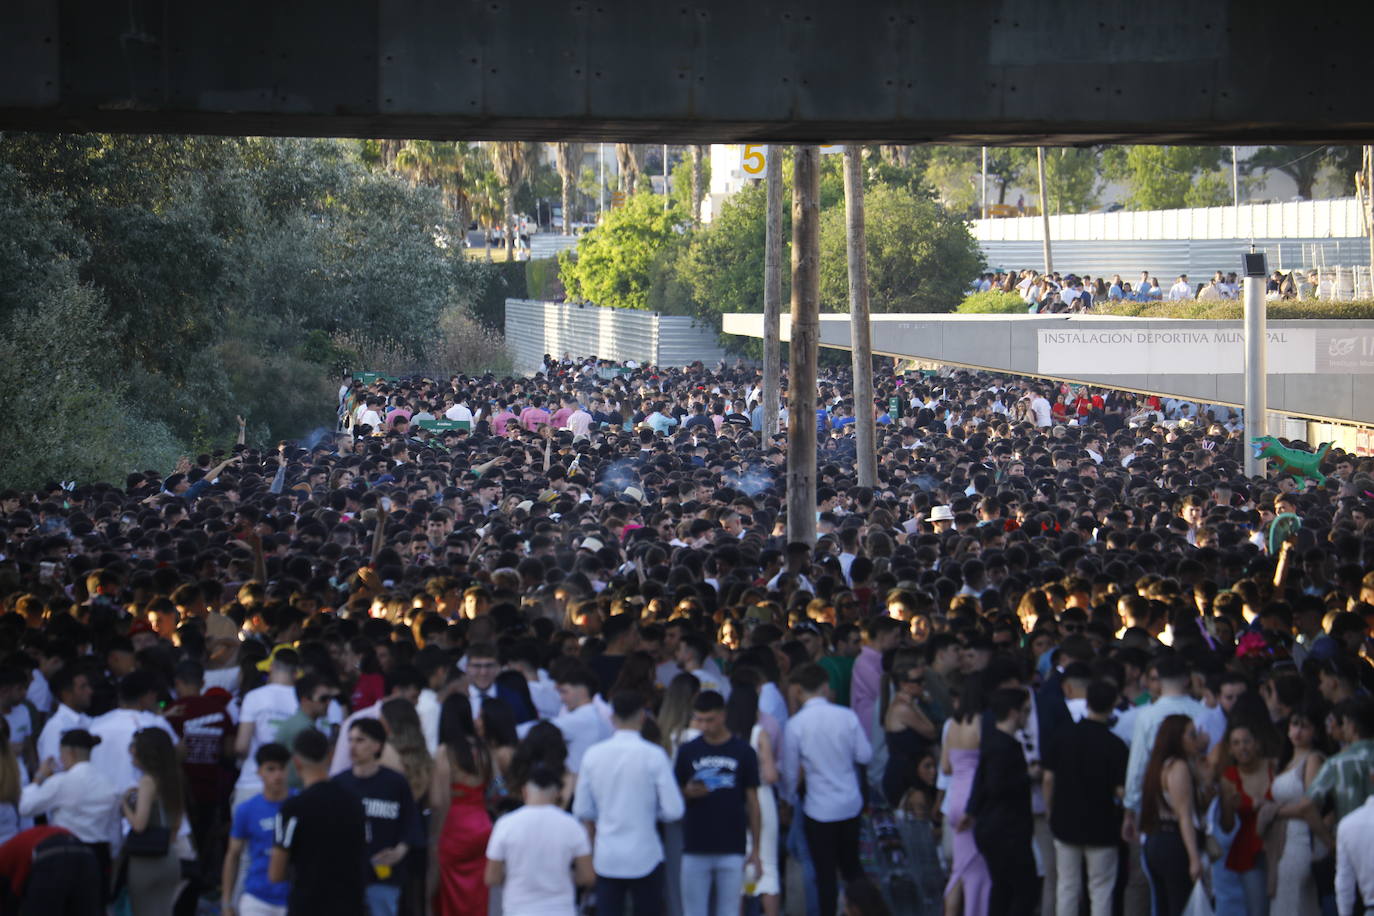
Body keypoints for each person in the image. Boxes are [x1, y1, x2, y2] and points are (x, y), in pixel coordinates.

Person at [573, 689, 685, 916]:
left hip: (607, 855)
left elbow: (582, 809)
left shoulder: (593, 755)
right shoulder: (654, 754)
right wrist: (651, 811)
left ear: (612, 717)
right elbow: (674, 810)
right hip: (646, 853)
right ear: (643, 717)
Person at [781, 663, 872, 916]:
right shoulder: (847, 716)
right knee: (853, 868)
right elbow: (864, 755)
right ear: (825, 687)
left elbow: (789, 772)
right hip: (850, 803)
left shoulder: (796, 725)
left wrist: (787, 801)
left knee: (825, 873)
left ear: (798, 691)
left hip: (818, 808)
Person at [1043, 679, 1127, 916]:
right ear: (1113, 705)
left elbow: (1048, 778)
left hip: (1065, 820)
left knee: (1067, 885)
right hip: (1102, 825)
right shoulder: (1115, 745)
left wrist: (1050, 809)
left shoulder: (1063, 736)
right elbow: (1121, 791)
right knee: (1101, 889)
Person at [673, 690, 761, 916]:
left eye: (709, 719)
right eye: (699, 719)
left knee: (729, 911)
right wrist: (687, 792)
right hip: (695, 844)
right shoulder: (687, 751)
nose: (704, 726)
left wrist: (756, 849)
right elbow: (673, 795)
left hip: (732, 844)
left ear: (723, 716)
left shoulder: (744, 752)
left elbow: (753, 801)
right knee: (694, 912)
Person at [270, 728, 368, 916]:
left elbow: (276, 873)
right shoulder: (355, 803)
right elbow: (364, 853)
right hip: (350, 905)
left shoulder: (293, 809)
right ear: (330, 756)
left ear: (296, 763)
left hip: (308, 905)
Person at [333, 718, 423, 916]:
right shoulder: (339, 784)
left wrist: (399, 852)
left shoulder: (395, 783)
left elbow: (411, 823)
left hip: (384, 876)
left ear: (377, 745)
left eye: (360, 740)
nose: (352, 746)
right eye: (350, 740)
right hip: (346, 876)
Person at [18, 729, 120, 897]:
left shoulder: (61, 782)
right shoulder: (109, 785)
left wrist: (39, 777)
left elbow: (25, 808)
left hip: (64, 854)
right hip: (99, 855)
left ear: (69, 752)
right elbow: (115, 834)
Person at [484, 764, 594, 916]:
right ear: (557, 794)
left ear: (525, 792)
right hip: (561, 910)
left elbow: (491, 877)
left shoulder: (505, 824)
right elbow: (587, 876)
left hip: (517, 909)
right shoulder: (572, 826)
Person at [965, 687, 1037, 916]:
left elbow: (981, 780)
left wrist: (972, 810)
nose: (1028, 716)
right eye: (1025, 711)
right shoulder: (1003, 746)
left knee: (1003, 888)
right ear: (1014, 713)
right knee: (1025, 890)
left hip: (994, 827)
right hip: (1007, 829)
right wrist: (1029, 777)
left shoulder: (993, 741)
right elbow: (997, 786)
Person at [429, 694, 494, 916]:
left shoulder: (445, 751)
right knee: (477, 889)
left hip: (455, 826)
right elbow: (494, 787)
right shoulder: (483, 749)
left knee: (449, 889)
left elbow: (439, 799)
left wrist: (435, 837)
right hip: (481, 823)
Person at [1139, 715, 1205, 916]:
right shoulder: (1178, 767)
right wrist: (1194, 858)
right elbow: (1184, 815)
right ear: (1178, 738)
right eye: (1192, 734)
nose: (1198, 739)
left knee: (1164, 906)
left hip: (1155, 839)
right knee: (1179, 906)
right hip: (1172, 842)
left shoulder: (1159, 765)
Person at [121, 727, 186, 916]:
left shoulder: (147, 781)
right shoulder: (175, 778)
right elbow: (177, 824)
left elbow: (139, 825)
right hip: (170, 858)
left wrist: (124, 805)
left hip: (145, 862)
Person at [222, 743, 292, 916]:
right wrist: (226, 903)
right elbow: (233, 855)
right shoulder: (247, 809)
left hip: (293, 896)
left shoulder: (301, 804)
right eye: (271, 769)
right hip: (256, 898)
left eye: (282, 768)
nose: (277, 775)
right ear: (259, 771)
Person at [942, 675, 992, 916]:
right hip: (974, 797)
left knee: (959, 869)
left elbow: (945, 768)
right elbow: (989, 762)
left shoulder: (952, 724)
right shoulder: (981, 722)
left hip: (955, 797)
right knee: (977, 871)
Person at [0, 825, 103, 914]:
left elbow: (10, 901)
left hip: (51, 857)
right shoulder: (14, 846)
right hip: (87, 854)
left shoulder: (4, 857)